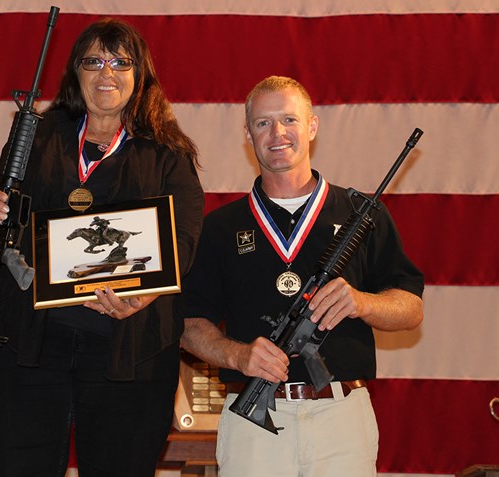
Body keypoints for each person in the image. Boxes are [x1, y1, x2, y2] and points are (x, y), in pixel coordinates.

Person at [0, 18, 204, 476]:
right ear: (75, 72)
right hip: (28, 348)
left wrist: (145, 293)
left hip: (129, 349)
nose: (107, 74)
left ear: (141, 75)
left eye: (121, 62)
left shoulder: (166, 151)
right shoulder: (36, 136)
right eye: (93, 61)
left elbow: (183, 240)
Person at [181, 76, 424, 476]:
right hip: (254, 422)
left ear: (312, 126)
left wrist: (362, 302)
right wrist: (237, 354)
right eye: (263, 123)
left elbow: (411, 308)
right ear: (248, 133)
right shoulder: (221, 227)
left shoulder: (358, 215)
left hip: (340, 416)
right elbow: (188, 323)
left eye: (289, 120)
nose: (277, 133)